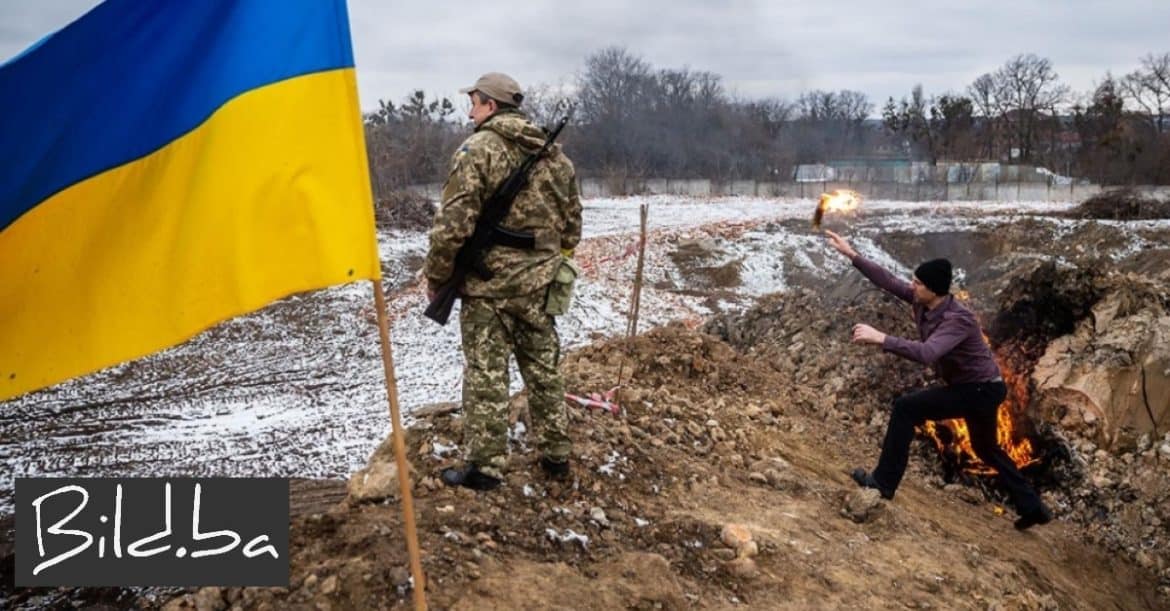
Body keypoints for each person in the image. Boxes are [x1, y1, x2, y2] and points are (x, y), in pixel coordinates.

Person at [824, 230, 1053, 530]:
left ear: (934, 290)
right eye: (915, 281)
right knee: (986, 449)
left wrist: (881, 338)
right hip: (976, 388)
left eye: (918, 283)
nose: (912, 286)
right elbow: (888, 281)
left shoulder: (958, 319)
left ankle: (882, 484)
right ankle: (1034, 508)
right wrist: (852, 255)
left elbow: (927, 353)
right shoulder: (923, 301)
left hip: (981, 390)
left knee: (906, 407)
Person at [424, 72, 582, 491]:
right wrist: (542, 266)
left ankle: (485, 468)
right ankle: (556, 457)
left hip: (487, 289)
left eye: (474, 103)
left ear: (491, 106)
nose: (470, 111)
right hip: (537, 289)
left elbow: (450, 227)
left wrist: (438, 277)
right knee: (544, 371)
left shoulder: (477, 151)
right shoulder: (556, 159)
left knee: (486, 377)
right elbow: (571, 230)